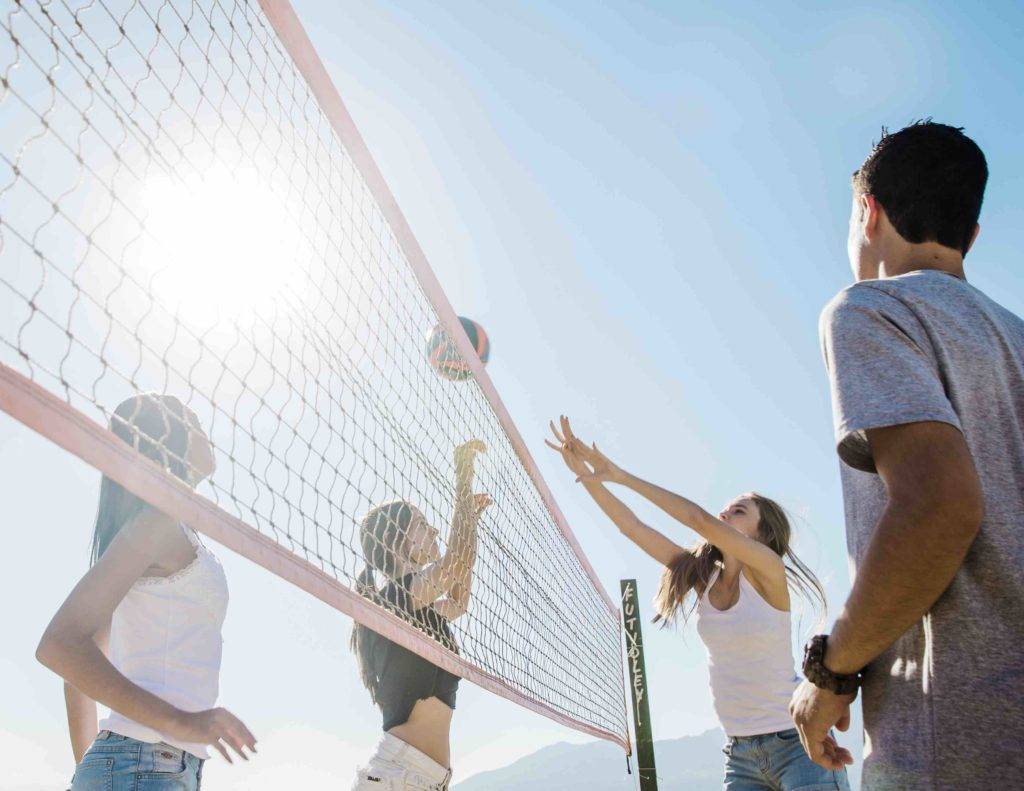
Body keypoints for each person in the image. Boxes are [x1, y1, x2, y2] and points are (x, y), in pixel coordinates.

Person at [790, 121, 1024, 790]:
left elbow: (941, 506)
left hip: (955, 742)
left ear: (870, 214)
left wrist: (830, 672)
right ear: (971, 236)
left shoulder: (868, 309)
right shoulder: (1016, 336)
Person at [546, 417, 849, 791]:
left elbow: (696, 518)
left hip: (796, 743)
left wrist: (620, 475)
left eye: (738, 511)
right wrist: (588, 478)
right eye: (724, 510)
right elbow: (632, 527)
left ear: (763, 532)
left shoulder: (768, 571)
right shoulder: (702, 580)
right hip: (740, 756)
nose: (723, 515)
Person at [36, 393, 256, 790]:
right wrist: (181, 723)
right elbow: (58, 646)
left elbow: (77, 680)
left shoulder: (174, 527)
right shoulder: (158, 521)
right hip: (146, 764)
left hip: (150, 768)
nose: (207, 431)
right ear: (172, 436)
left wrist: (96, 774)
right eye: (195, 422)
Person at [350, 439, 490, 791]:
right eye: (422, 524)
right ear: (396, 542)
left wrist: (469, 521)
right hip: (399, 776)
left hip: (423, 778)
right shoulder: (394, 599)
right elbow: (455, 562)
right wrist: (462, 482)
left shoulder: (420, 609)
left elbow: (458, 598)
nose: (434, 530)